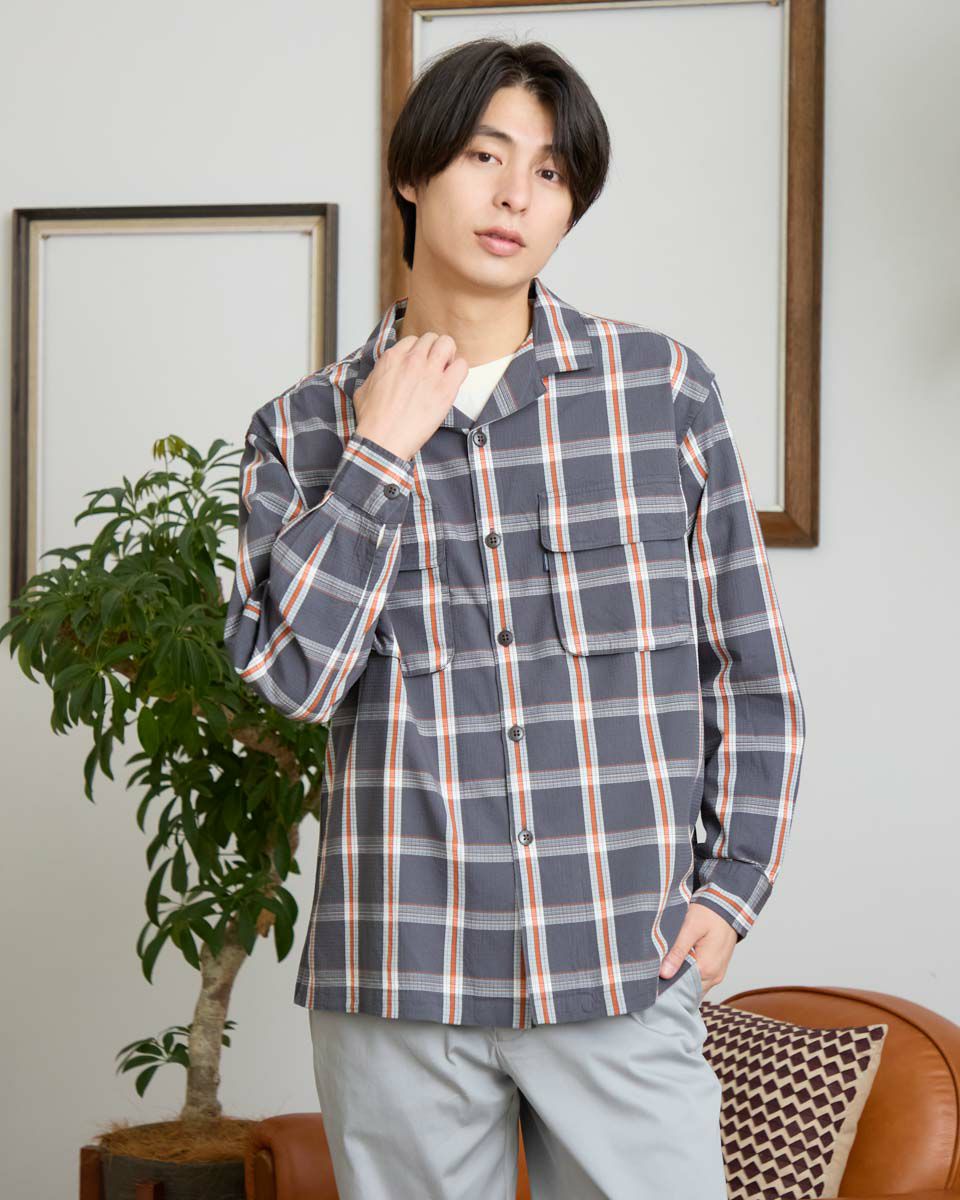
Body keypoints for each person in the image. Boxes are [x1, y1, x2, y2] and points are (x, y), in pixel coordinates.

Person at [224, 35, 806, 1200]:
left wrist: (731, 887)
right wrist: (378, 458)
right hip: (400, 986)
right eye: (486, 157)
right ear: (413, 171)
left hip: (620, 965)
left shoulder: (661, 392)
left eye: (550, 173)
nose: (516, 197)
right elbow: (292, 683)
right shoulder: (300, 431)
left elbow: (749, 669)